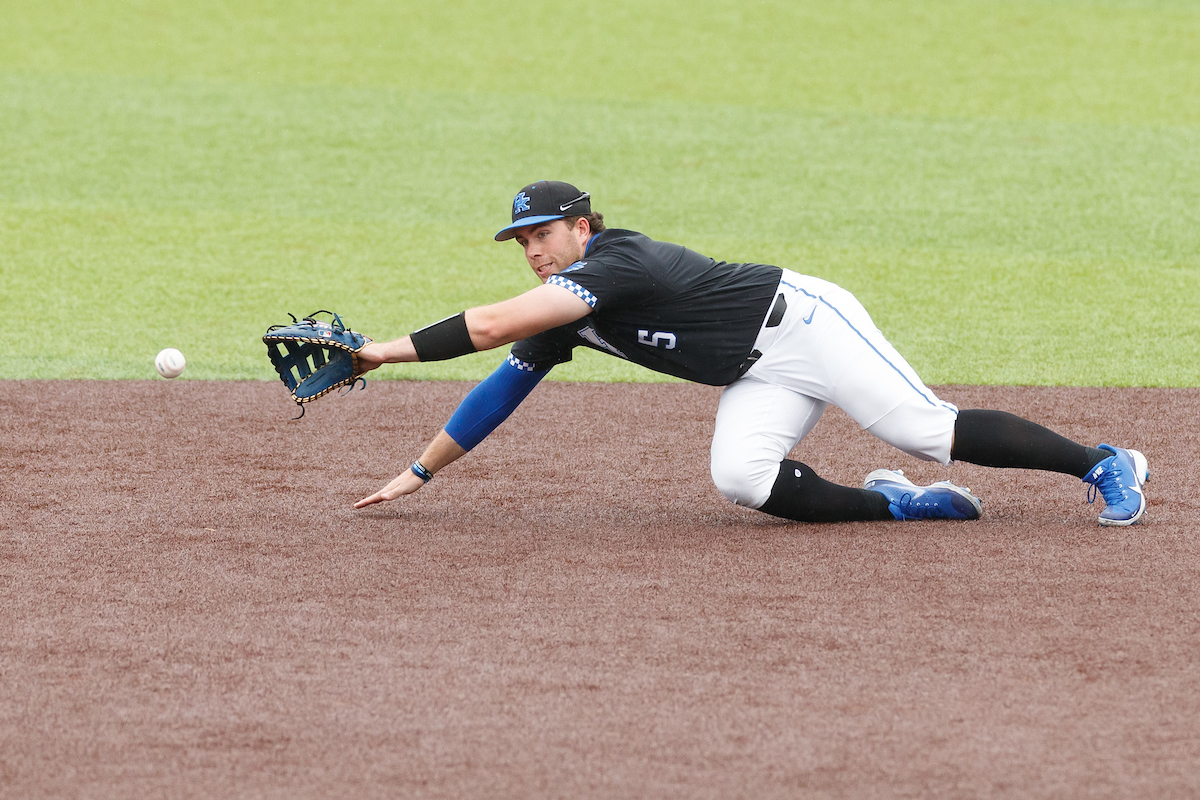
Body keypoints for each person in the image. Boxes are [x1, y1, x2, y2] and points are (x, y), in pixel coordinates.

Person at [353, 180, 1148, 525]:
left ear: (583, 229)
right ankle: (900, 504)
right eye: (522, 241)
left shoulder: (620, 263)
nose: (533, 250)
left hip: (806, 323)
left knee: (921, 428)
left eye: (545, 235)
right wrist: (419, 472)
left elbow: (489, 326)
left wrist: (381, 353)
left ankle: (1103, 461)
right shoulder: (560, 309)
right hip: (755, 367)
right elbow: (505, 383)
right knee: (740, 478)